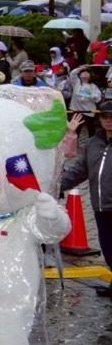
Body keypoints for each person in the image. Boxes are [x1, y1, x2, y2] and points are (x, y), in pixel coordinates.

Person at [60, 98, 112, 298]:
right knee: (108, 247)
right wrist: (56, 186)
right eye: (105, 116)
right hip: (100, 206)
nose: (108, 120)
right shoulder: (93, 143)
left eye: (111, 117)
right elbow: (79, 171)